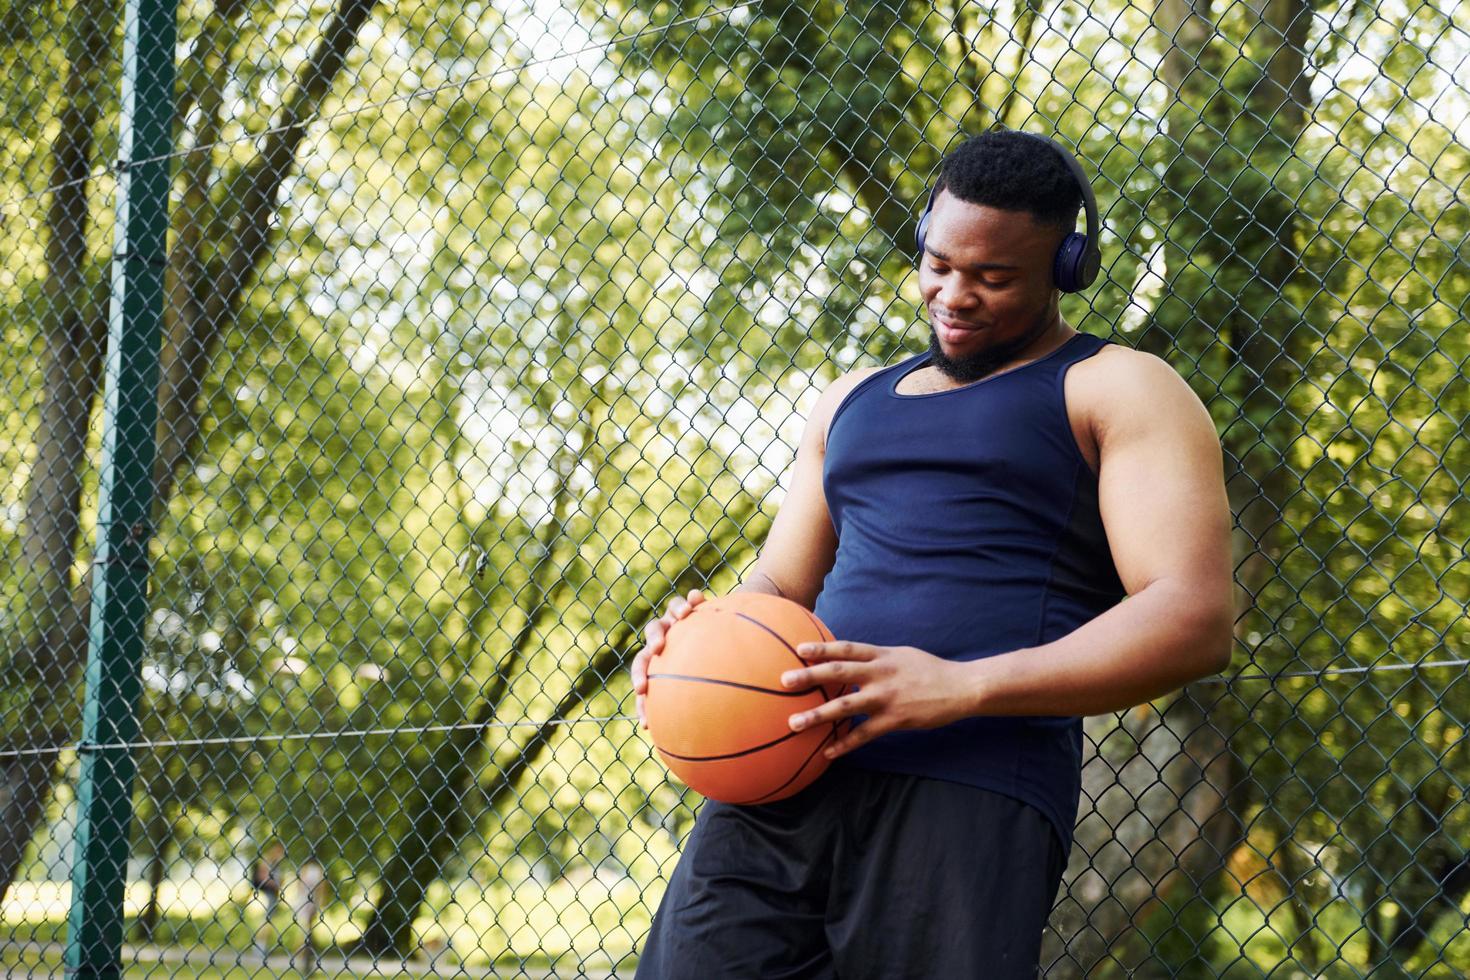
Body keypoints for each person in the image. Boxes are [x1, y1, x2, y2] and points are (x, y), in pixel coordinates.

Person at [629, 128, 1234, 979]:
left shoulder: (1119, 388)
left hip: (974, 779)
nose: (955, 295)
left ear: (1067, 268)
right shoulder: (849, 402)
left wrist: (962, 685)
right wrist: (699, 639)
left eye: (994, 277)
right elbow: (778, 582)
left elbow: (1194, 618)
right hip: (778, 767)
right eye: (940, 265)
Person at [249, 839, 285, 961]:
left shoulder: (276, 862)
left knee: (269, 920)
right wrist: (274, 883)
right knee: (266, 920)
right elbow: (262, 875)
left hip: (273, 893)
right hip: (268, 892)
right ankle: (259, 947)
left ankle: (262, 946)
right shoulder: (268, 859)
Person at [294, 858, 330, 974]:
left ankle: (304, 954)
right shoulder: (318, 871)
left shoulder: (307, 870)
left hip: (306, 901)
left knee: (305, 929)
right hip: (310, 901)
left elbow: (299, 885)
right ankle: (304, 954)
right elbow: (322, 887)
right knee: (307, 929)